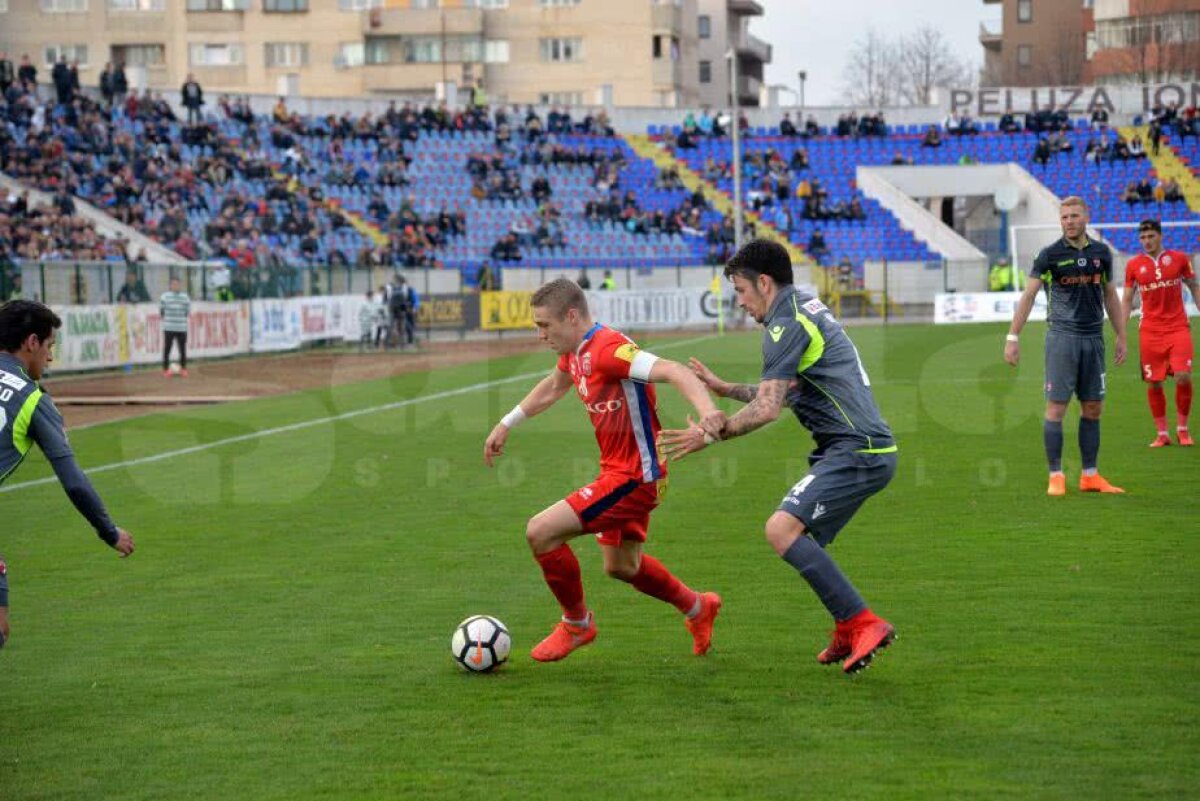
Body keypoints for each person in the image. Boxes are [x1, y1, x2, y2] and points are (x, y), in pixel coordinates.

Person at [658, 239, 898, 675]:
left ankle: (863, 622)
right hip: (863, 449)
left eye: (741, 291)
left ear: (764, 283)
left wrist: (712, 434)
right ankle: (847, 625)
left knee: (781, 528)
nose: (741, 303)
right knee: (802, 537)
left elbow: (768, 408)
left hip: (855, 449)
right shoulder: (805, 307)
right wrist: (728, 390)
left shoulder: (784, 324)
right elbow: (785, 392)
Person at [482, 278, 724, 662]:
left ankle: (577, 624)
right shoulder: (576, 352)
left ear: (572, 316)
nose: (540, 334)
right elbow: (554, 385)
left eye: (545, 325)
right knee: (622, 566)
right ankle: (698, 607)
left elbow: (675, 370)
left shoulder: (609, 350)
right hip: (621, 473)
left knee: (541, 532)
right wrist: (507, 423)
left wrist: (710, 413)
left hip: (635, 478)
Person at [0, 300, 136, 649]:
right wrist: (109, 532)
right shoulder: (32, 399)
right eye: (49, 347)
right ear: (32, 342)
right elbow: (74, 482)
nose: (49, 358)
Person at [1004, 197, 1127, 496]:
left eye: (1074, 216)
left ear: (1086, 217)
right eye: (1065, 217)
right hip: (1062, 339)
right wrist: (1012, 337)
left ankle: (1090, 476)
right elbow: (1029, 296)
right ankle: (1056, 476)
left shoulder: (1102, 253)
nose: (1069, 221)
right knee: (1056, 408)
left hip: (1093, 339)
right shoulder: (1049, 255)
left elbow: (1110, 295)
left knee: (1093, 407)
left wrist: (1121, 335)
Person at [1121, 219, 1199, 447]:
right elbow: (1126, 300)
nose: (1147, 241)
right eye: (1143, 238)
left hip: (1178, 327)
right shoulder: (1134, 265)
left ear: (1160, 236)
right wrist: (1121, 330)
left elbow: (1194, 287)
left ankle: (1182, 430)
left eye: (1151, 236)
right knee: (1154, 383)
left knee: (1183, 375)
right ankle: (1162, 434)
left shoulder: (1180, 259)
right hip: (1150, 331)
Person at [160, 277, 191, 377]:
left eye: (177, 284)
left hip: (181, 328)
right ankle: (165, 369)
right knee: (167, 349)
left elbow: (187, 311)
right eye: (173, 284)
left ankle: (184, 369)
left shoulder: (185, 297)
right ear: (170, 286)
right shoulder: (164, 297)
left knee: (182, 350)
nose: (175, 286)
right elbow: (162, 311)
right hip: (169, 327)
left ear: (180, 285)